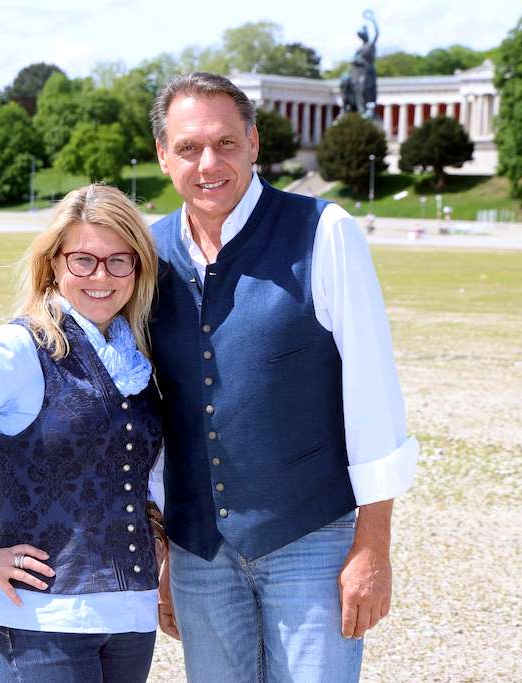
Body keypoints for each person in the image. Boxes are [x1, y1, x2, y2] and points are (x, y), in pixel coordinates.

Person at [148, 72, 418, 682]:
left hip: (311, 540)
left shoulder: (324, 232)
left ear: (254, 143)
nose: (208, 162)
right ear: (164, 156)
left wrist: (373, 544)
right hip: (199, 550)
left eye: (225, 143)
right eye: (188, 148)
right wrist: (164, 547)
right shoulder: (148, 252)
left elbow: (373, 394)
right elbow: (154, 410)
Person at [0, 184, 164, 683]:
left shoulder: (138, 357)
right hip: (42, 620)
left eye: (118, 261)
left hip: (132, 615)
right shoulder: (18, 348)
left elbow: (148, 479)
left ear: (138, 267)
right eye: (83, 260)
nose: (101, 276)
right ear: (54, 264)